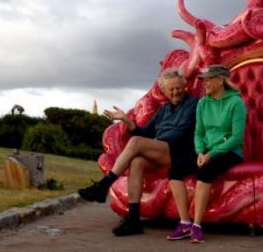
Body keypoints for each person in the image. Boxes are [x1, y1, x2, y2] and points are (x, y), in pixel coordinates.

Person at [78, 68, 198, 236]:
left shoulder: (194, 104)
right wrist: (126, 120)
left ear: (184, 86)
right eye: (171, 89)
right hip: (162, 150)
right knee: (137, 162)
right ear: (164, 91)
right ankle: (133, 219)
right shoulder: (163, 110)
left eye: (178, 88)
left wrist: (151, 143)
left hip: (181, 151)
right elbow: (145, 133)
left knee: (136, 143)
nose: (175, 92)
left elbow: (182, 132)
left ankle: (103, 186)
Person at [167, 64, 247, 243]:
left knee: (205, 173)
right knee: (174, 171)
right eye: (204, 79)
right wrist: (200, 152)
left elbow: (236, 137)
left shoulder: (236, 103)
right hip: (206, 151)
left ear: (221, 80)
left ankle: (197, 226)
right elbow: (199, 133)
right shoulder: (203, 102)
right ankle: (185, 222)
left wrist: (211, 154)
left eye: (209, 79)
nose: (205, 83)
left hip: (230, 151)